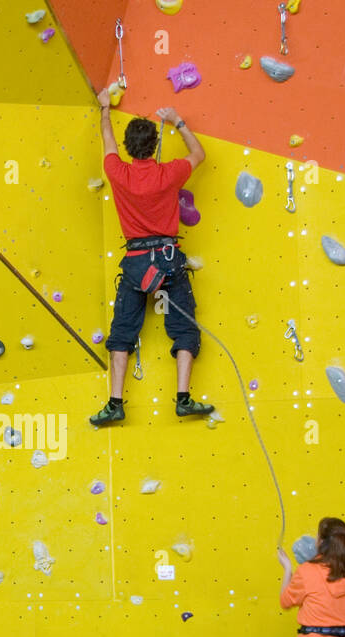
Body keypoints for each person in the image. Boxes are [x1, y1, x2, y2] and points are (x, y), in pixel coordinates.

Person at [90, 89, 214, 426]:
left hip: (136, 263)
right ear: (155, 146)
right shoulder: (169, 173)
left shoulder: (118, 172)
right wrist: (178, 121)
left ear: (129, 149)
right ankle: (183, 398)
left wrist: (105, 109)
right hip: (168, 260)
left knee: (122, 332)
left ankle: (115, 403)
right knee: (184, 327)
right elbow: (199, 154)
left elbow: (107, 139)